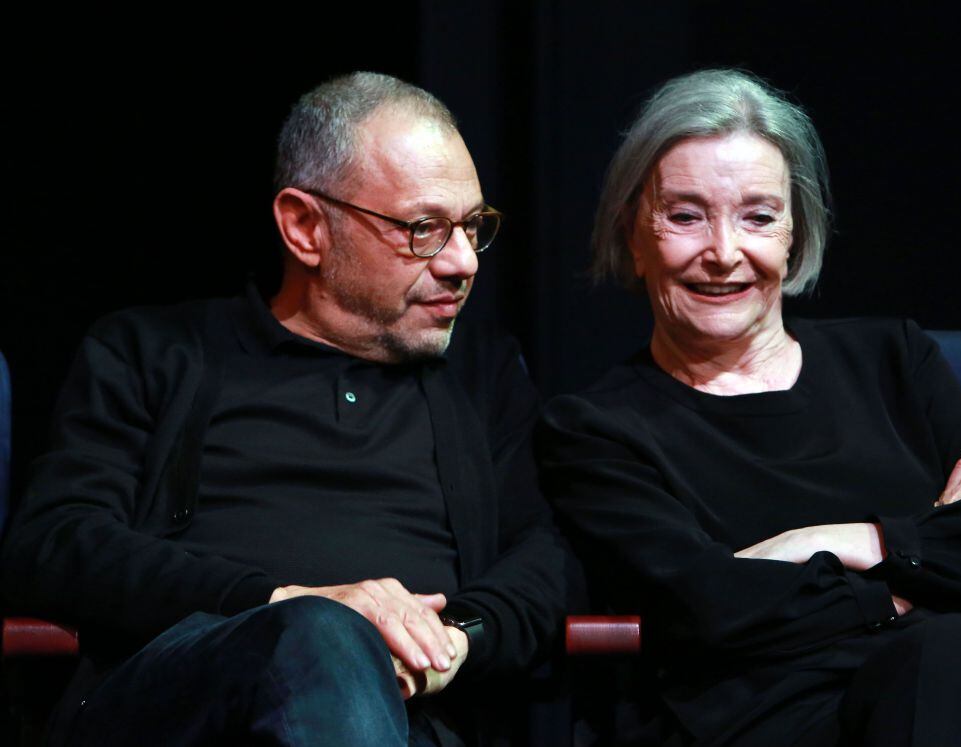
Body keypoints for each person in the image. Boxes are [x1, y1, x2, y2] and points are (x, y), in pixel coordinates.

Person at [2, 72, 570, 746]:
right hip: (187, 704)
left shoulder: (482, 376)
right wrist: (282, 604)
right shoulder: (153, 352)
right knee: (322, 635)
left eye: (473, 226)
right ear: (304, 226)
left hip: (416, 713)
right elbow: (57, 540)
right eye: (423, 229)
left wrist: (449, 644)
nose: (461, 262)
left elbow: (548, 557)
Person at [539, 69, 961, 746]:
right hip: (773, 725)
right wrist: (919, 566)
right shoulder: (595, 430)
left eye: (758, 216)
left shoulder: (895, 359)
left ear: (795, 231)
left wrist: (847, 541)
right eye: (685, 215)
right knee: (947, 650)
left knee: (952, 659)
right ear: (633, 233)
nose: (724, 253)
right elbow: (704, 607)